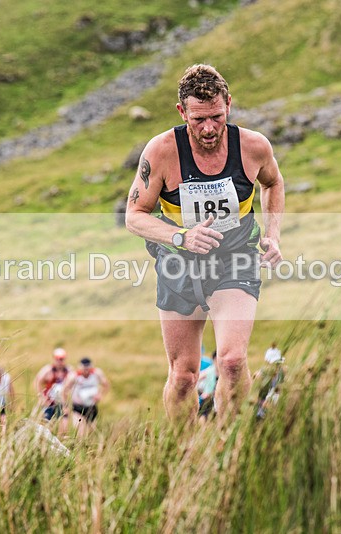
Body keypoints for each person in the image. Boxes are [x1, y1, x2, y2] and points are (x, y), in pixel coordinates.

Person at [125, 64, 285, 423]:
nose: (209, 128)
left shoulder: (253, 146)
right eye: (198, 120)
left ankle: (232, 450)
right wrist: (182, 236)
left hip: (234, 258)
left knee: (231, 361)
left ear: (229, 104)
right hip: (178, 263)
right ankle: (184, 457)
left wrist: (273, 234)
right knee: (183, 377)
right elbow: (134, 215)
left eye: (216, 116)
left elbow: (273, 183)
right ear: (182, 112)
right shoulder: (162, 151)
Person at [63, 357, 110, 436]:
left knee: (91, 431)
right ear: (80, 368)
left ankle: (88, 446)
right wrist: (65, 405)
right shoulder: (74, 376)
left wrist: (100, 395)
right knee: (80, 431)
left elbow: (106, 384)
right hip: (78, 408)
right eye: (84, 369)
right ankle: (79, 445)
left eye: (88, 369)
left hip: (91, 407)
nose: (86, 371)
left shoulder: (96, 373)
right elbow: (64, 390)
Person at [34, 347, 71, 434]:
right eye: (57, 359)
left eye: (61, 359)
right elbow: (37, 382)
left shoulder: (68, 370)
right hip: (49, 402)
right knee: (46, 426)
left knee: (64, 427)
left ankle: (62, 441)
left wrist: (67, 403)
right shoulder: (48, 370)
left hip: (62, 403)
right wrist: (41, 397)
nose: (59, 361)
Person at [197, 350, 218, 421]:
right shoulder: (210, 371)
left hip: (219, 397)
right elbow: (197, 378)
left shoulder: (226, 373)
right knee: (204, 412)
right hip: (208, 396)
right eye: (216, 361)